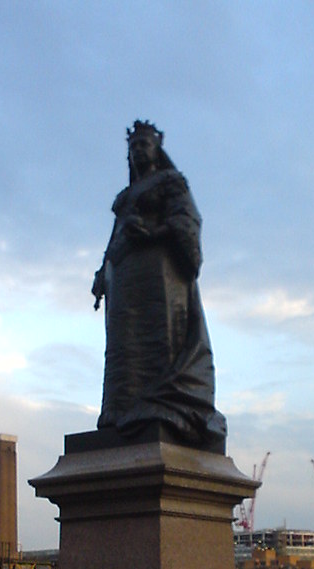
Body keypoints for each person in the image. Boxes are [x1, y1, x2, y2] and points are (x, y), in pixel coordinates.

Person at [92, 120, 227, 451]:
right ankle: (121, 409)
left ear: (156, 149)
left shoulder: (170, 182)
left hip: (159, 274)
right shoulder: (125, 196)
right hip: (125, 278)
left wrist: (153, 233)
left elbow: (186, 220)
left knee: (158, 338)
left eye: (144, 145)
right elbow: (114, 237)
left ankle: (164, 406)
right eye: (134, 146)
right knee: (125, 345)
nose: (138, 151)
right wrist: (101, 272)